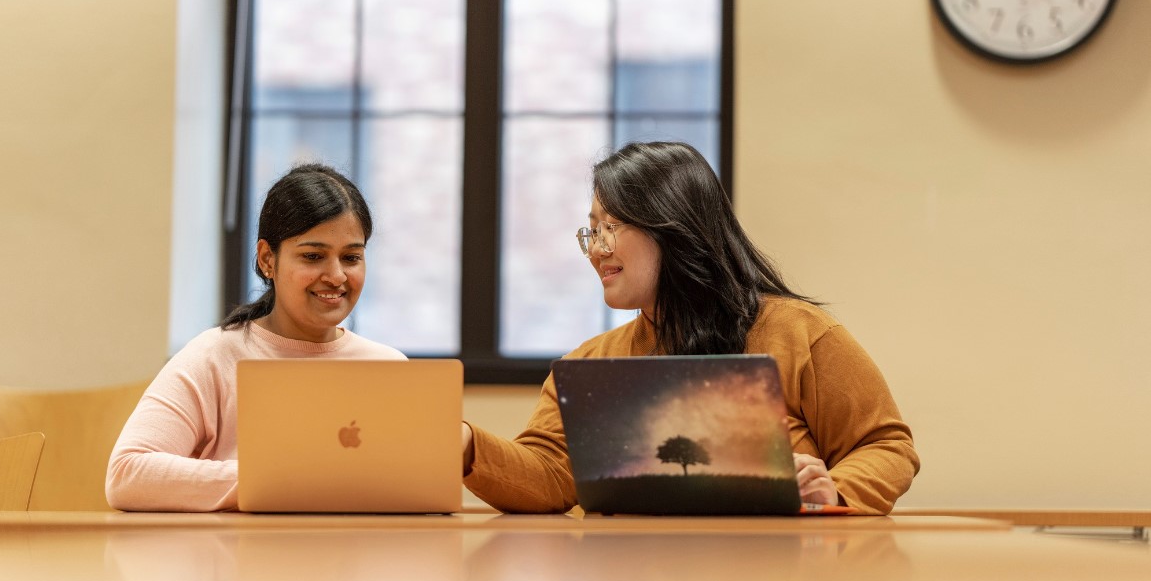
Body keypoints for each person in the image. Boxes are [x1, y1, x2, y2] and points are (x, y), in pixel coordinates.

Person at [462, 141, 919, 515]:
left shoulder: (799, 332)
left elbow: (886, 445)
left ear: (673, 227)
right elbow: (549, 474)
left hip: (779, 579)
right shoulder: (589, 361)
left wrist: (834, 489)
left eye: (611, 226)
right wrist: (464, 445)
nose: (595, 250)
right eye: (591, 231)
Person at [106, 163, 405, 512]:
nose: (337, 275)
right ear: (267, 259)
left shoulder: (390, 368)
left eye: (351, 257)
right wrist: (278, 481)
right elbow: (127, 474)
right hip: (237, 560)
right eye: (313, 256)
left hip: (361, 559)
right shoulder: (214, 356)